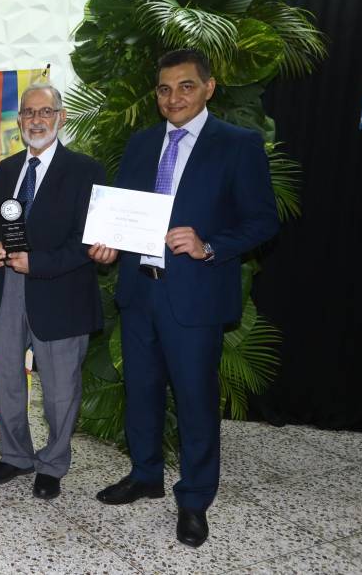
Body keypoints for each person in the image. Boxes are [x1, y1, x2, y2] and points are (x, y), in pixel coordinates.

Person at [88, 49, 279, 547]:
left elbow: (262, 221)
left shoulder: (238, 145)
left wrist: (209, 244)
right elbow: (122, 212)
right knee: (142, 392)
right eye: (165, 89)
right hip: (139, 291)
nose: (174, 98)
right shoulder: (141, 142)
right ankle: (146, 474)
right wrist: (107, 245)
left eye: (186, 86)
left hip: (195, 298)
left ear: (209, 88)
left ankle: (194, 500)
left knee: (195, 402)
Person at [0, 83, 106, 499]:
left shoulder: (86, 171)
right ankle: (15, 456)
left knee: (60, 390)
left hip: (61, 291)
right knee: (9, 381)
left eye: (46, 112)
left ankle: (53, 463)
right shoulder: (5, 170)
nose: (37, 120)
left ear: (61, 117)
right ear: (20, 122)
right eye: (30, 113)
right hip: (10, 288)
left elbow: (88, 242)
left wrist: (40, 263)